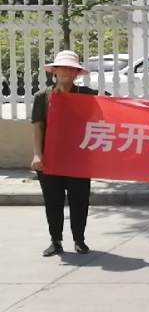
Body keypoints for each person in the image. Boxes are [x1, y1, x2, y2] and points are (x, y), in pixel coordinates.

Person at [30, 51, 100, 256]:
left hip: (79, 158)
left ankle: (79, 239)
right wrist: (37, 154)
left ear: (77, 73)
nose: (67, 72)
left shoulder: (87, 95)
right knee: (53, 201)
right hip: (50, 158)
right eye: (63, 68)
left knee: (80, 200)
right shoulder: (43, 97)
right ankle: (56, 240)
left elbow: (100, 120)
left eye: (72, 69)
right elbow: (38, 126)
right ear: (54, 71)